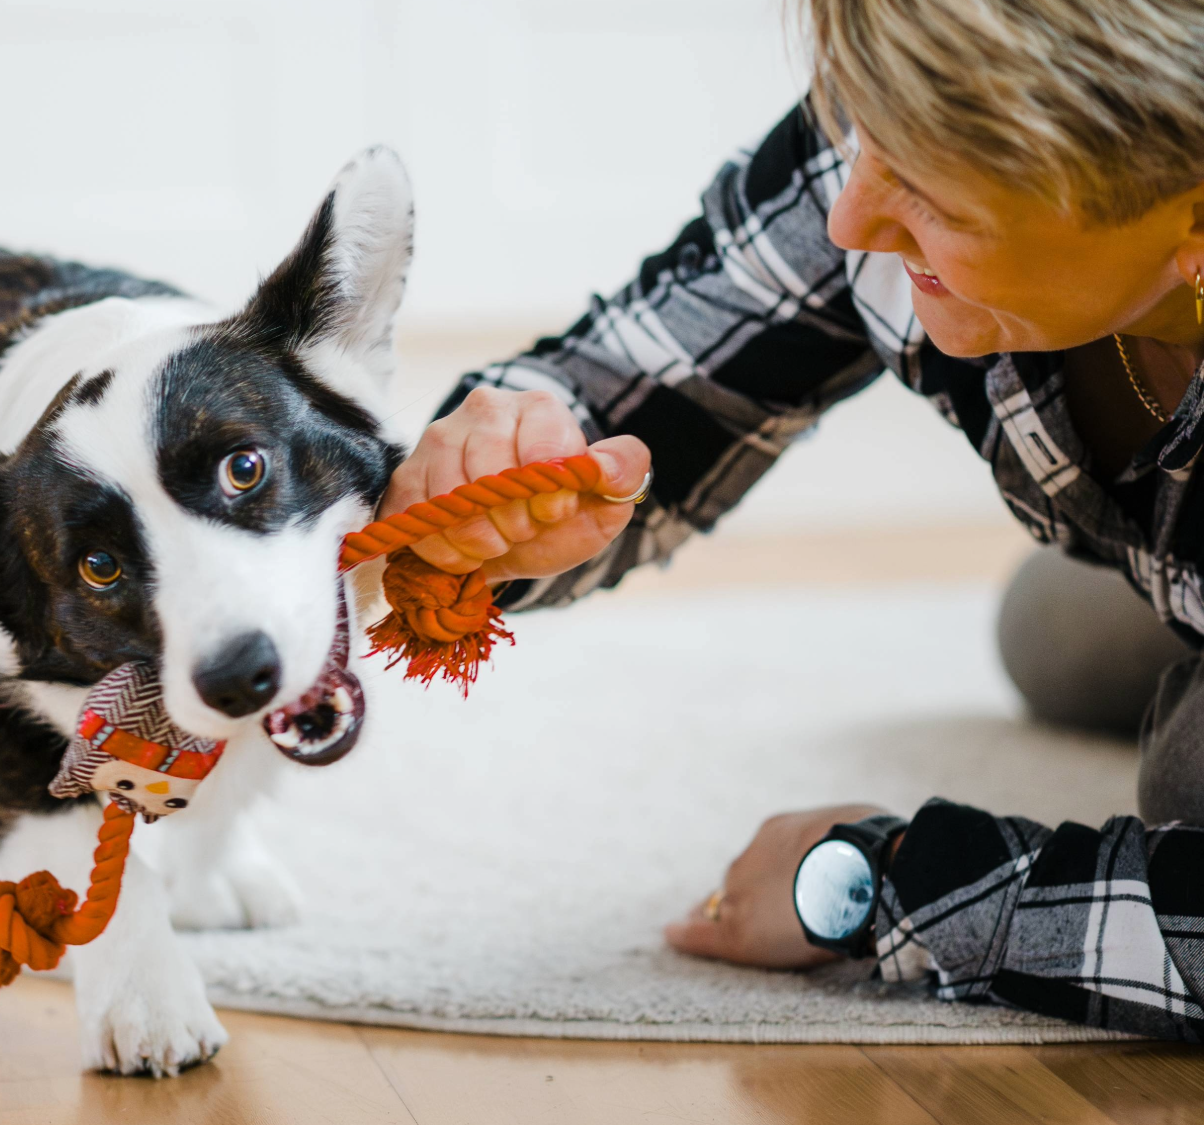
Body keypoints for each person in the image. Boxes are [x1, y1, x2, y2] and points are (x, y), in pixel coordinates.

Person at [386, 0, 1204, 1040]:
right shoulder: (900, 131)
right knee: (1047, 641)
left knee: (1183, 773)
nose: (849, 219)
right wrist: (513, 469)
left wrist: (888, 884)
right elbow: (632, 376)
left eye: (935, 188)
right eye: (860, 128)